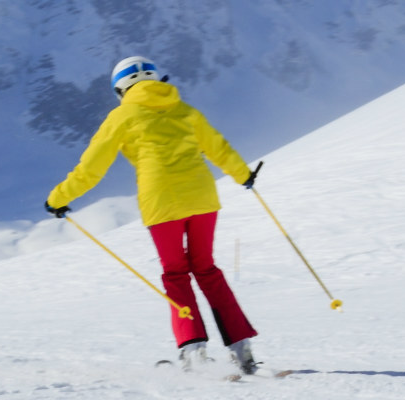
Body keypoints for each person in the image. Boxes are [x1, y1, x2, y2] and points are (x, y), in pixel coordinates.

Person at [42, 56, 264, 374]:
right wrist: (243, 175)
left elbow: (91, 169)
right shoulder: (184, 110)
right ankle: (242, 349)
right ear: (158, 80)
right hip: (202, 198)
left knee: (175, 274)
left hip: (161, 203)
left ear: (120, 89)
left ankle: (194, 352)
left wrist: (57, 198)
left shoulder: (122, 117)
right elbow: (219, 148)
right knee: (206, 269)